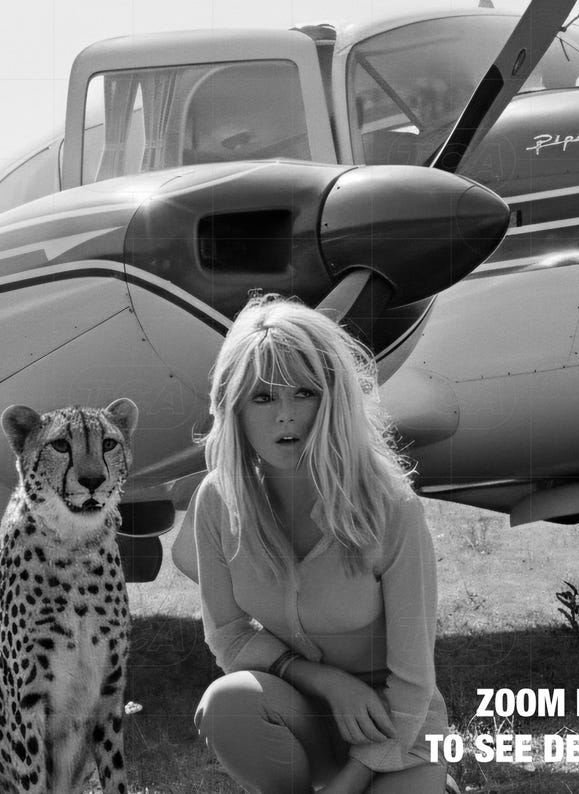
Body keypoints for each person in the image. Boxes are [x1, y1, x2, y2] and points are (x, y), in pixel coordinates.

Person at [180, 294, 448, 793]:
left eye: (303, 393)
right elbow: (229, 636)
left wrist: (350, 781)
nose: (285, 415)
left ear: (333, 399)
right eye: (262, 398)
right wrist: (324, 681)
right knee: (228, 703)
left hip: (396, 730)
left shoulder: (392, 507)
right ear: (234, 408)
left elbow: (414, 684)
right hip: (300, 716)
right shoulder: (218, 501)